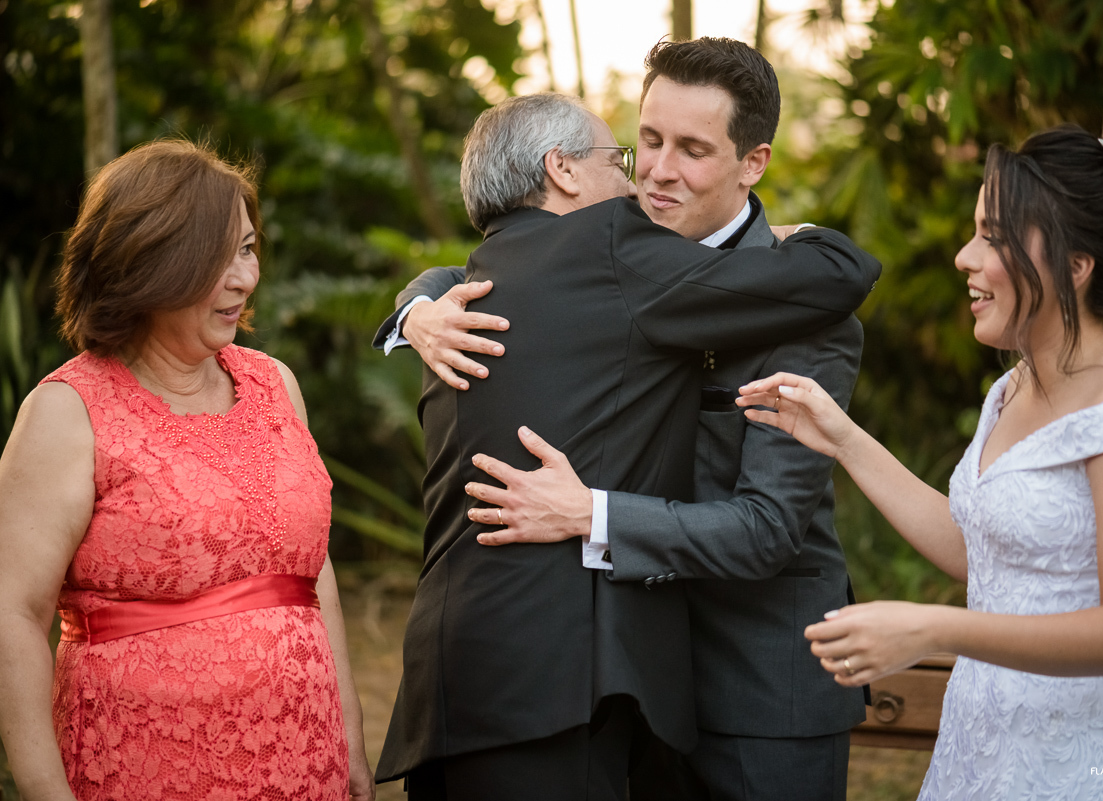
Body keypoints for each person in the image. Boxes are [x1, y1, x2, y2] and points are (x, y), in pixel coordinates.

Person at [387, 38, 866, 800]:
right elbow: (489, 266)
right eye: (646, 141)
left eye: (693, 149)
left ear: (754, 163)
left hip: (756, 688)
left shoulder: (803, 306)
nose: (657, 170)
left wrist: (592, 513)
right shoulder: (593, 262)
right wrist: (416, 310)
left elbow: (769, 527)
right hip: (624, 689)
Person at [739, 121, 1103, 799]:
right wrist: (842, 437)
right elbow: (977, 546)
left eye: (994, 238)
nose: (963, 257)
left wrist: (931, 627)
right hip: (984, 742)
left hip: (1094, 762)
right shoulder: (1011, 387)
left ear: (1076, 265)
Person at [0, 140, 373, 801]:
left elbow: (314, 577)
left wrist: (351, 748)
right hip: (145, 772)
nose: (245, 277)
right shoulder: (67, 413)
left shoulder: (276, 384)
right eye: (219, 256)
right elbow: (13, 615)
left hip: (304, 767)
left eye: (250, 248)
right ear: (149, 262)